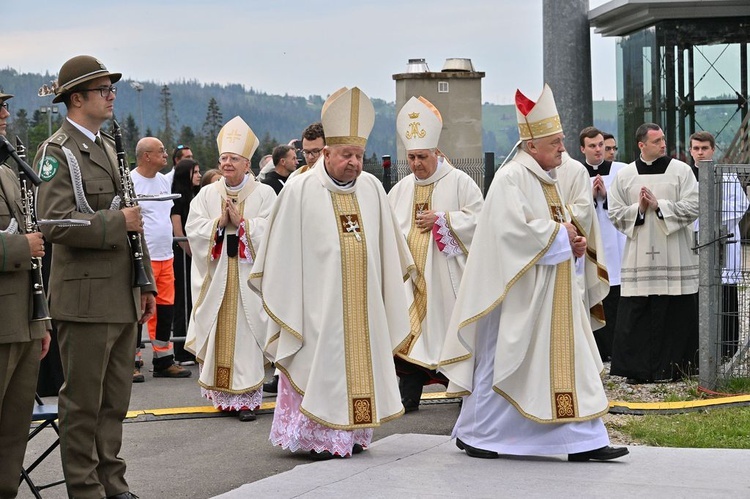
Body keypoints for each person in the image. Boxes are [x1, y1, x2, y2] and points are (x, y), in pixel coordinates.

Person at [439, 84, 627, 462]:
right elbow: (511, 233)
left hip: (556, 290)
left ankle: (583, 441)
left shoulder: (550, 177)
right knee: (508, 363)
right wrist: (562, 234)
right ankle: (481, 435)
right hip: (518, 295)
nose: (562, 148)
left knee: (569, 362)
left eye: (560, 141)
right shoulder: (511, 178)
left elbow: (558, 223)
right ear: (532, 146)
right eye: (556, 142)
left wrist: (573, 243)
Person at [250, 87, 414, 459]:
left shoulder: (372, 188)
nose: (354, 163)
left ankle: (352, 434)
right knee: (321, 364)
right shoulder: (300, 189)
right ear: (326, 153)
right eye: (346, 155)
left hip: (363, 305)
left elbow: (390, 252)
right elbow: (282, 255)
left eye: (358, 155)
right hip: (315, 307)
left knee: (358, 361)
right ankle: (316, 438)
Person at [34, 54, 155, 499]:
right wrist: (115, 223)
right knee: (83, 403)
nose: (111, 95)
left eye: (111, 88)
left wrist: (144, 283)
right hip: (85, 300)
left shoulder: (106, 146)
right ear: (77, 98)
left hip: (119, 295)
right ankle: (85, 489)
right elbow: (53, 223)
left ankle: (112, 483)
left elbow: (133, 220)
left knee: (114, 401)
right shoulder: (57, 151)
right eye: (103, 89)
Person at [388, 96, 483, 412]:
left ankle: (458, 387)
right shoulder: (401, 189)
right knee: (408, 335)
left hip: (446, 279)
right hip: (411, 279)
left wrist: (443, 219)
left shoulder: (459, 182)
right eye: (412, 157)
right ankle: (409, 395)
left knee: (447, 333)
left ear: (437, 153)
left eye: (422, 157)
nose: (416, 164)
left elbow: (480, 220)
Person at [185, 116, 276, 422]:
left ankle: (248, 399)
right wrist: (218, 225)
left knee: (249, 335)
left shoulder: (265, 195)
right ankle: (224, 397)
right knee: (218, 328)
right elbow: (193, 228)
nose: (226, 163)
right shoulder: (209, 194)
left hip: (250, 281)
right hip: (218, 279)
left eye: (233, 158)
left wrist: (246, 225)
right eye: (223, 158)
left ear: (247, 163)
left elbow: (275, 231)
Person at [608, 123, 699, 383]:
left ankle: (676, 368)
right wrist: (638, 209)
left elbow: (694, 206)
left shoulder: (681, 171)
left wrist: (661, 207)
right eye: (657, 140)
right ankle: (637, 371)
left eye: (663, 139)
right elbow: (614, 212)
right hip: (640, 256)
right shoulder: (625, 176)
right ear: (641, 145)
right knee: (638, 312)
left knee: (676, 312)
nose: (663, 144)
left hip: (675, 253)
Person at [0, 91, 52, 499]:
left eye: (3, 106)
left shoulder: (6, 172)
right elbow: (24, 244)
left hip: (24, 321)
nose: (4, 114)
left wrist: (42, 319)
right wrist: (20, 248)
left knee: (14, 429)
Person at [131, 137, 191, 379]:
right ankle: (131, 360)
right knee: (137, 308)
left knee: (165, 308)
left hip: (166, 255)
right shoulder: (131, 182)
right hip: (143, 258)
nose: (166, 155)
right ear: (146, 155)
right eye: (161, 151)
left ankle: (163, 358)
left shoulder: (164, 182)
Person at [689, 131, 748, 358]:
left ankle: (727, 348)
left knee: (725, 293)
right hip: (693, 242)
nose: (700, 153)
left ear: (713, 149)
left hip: (723, 241)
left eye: (704, 148)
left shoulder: (728, 176)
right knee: (695, 295)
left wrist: (710, 216)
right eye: (696, 148)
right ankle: (698, 350)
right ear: (690, 150)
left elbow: (739, 207)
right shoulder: (685, 176)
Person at [579, 126, 628, 361]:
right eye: (593, 146)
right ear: (583, 149)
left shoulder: (622, 171)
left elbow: (629, 203)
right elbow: (571, 207)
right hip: (591, 244)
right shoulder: (575, 173)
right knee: (593, 291)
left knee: (616, 294)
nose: (599, 150)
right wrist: (590, 197)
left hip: (616, 241)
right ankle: (597, 350)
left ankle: (617, 349)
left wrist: (606, 197)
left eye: (602, 145)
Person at [171, 158, 201, 366]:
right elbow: (178, 231)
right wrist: (192, 252)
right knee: (183, 302)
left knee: (195, 302)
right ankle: (181, 351)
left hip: (195, 255)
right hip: (183, 256)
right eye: (195, 172)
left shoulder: (197, 197)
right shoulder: (177, 201)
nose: (199, 175)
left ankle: (194, 345)